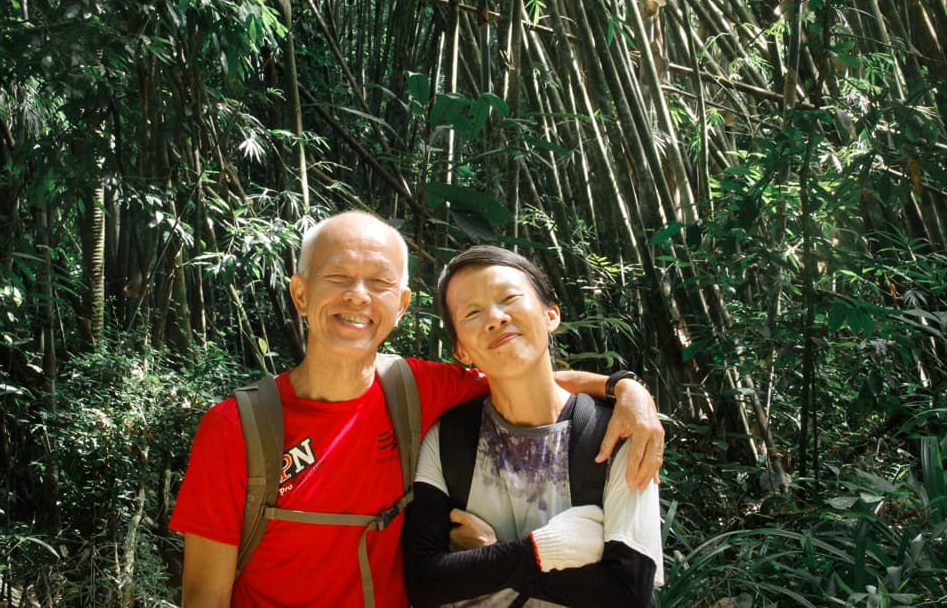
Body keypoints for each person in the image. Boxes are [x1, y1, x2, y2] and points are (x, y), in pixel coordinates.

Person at [169, 211, 664, 607]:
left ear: (402, 304)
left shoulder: (416, 390)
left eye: (379, 283)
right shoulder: (236, 428)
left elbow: (520, 368)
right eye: (338, 276)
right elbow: (204, 595)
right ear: (301, 293)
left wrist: (628, 391)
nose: (357, 297)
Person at [402, 245, 663, 607]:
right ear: (460, 351)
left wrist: (485, 562)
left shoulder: (617, 432)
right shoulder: (448, 438)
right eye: (473, 312)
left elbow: (626, 591)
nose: (495, 318)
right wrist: (540, 551)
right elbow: (424, 582)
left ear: (550, 314)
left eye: (509, 298)